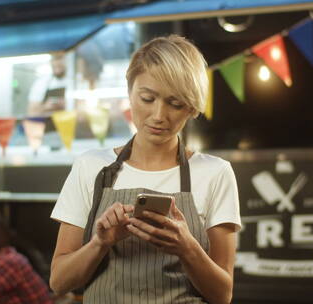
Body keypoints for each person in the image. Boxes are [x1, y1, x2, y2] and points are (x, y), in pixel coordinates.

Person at [49, 35, 242, 303]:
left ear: (192, 107)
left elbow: (223, 294)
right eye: (147, 98)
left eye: (175, 104)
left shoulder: (215, 173)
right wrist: (100, 243)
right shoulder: (90, 167)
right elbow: (59, 282)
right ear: (130, 92)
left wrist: (187, 248)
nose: (159, 115)